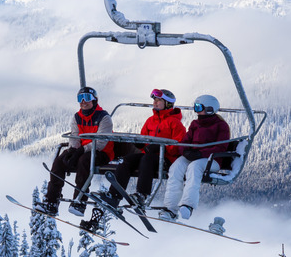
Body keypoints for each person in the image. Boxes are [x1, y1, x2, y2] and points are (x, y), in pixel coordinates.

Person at [98, 88, 186, 210]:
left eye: (159, 100)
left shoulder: (175, 123)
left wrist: (163, 148)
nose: (155, 103)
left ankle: (141, 195)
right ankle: (114, 195)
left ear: (168, 103)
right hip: (148, 156)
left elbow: (179, 145)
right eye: (154, 100)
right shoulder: (150, 121)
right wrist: (140, 144)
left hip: (166, 159)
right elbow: (143, 137)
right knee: (127, 160)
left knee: (147, 159)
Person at [34, 86, 115, 217]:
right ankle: (51, 201)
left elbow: (101, 142)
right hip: (83, 150)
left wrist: (81, 151)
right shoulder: (77, 117)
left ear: (94, 100)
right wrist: (72, 150)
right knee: (60, 161)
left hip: (102, 152)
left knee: (84, 161)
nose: (83, 101)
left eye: (87, 98)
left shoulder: (104, 117)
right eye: (80, 98)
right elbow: (74, 136)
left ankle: (79, 201)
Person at [158, 94, 230, 221]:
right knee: (176, 167)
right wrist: (185, 151)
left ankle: (188, 205)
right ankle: (170, 208)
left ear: (209, 109)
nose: (196, 111)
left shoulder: (221, 126)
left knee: (194, 167)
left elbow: (221, 147)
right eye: (195, 107)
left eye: (198, 107)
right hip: (193, 156)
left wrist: (200, 154)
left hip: (212, 160)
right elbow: (184, 141)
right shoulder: (195, 124)